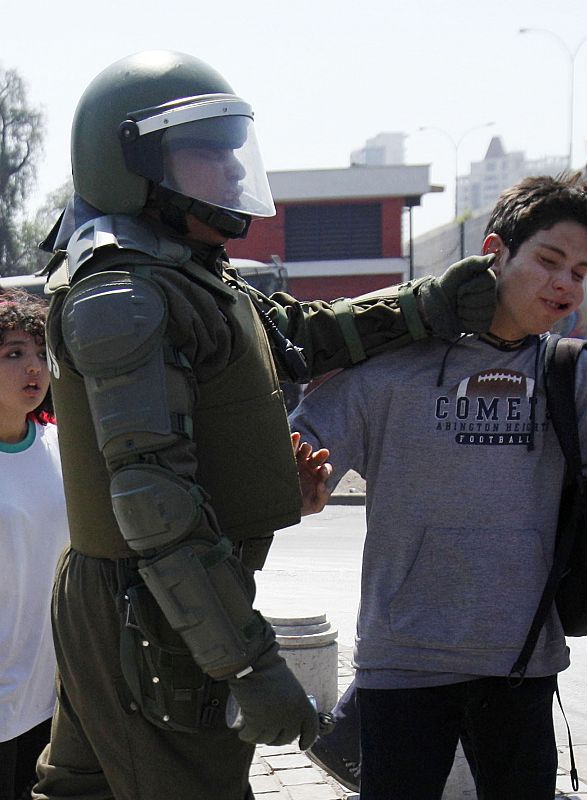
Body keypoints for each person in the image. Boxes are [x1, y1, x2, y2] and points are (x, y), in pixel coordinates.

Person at [32, 50, 497, 800]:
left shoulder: (186, 274)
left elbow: (293, 336)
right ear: (131, 165)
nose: (226, 169)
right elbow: (157, 513)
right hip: (152, 610)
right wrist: (248, 663)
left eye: (228, 147)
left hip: (143, 601)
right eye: (201, 153)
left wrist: (423, 307)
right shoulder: (125, 294)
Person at [290, 172, 587, 800]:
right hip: (401, 666)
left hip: (520, 669)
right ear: (495, 252)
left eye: (580, 272)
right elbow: (300, 470)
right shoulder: (391, 369)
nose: (564, 284)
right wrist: (302, 493)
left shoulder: (570, 375)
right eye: (550, 261)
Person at [0, 290, 68, 800]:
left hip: (54, 694)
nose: (34, 369)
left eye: (42, 354)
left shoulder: (62, 447)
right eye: (14, 353)